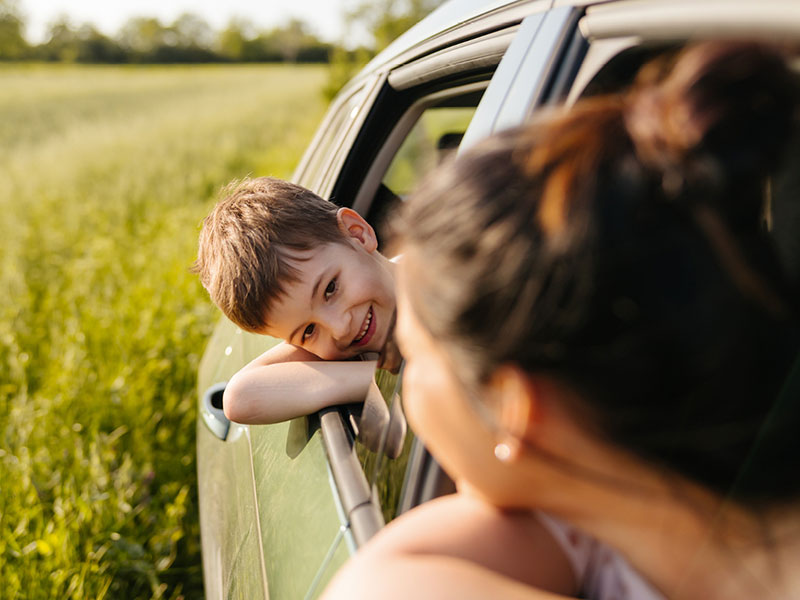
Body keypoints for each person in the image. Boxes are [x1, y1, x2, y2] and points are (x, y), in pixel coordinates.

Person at [322, 41, 800, 600]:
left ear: (510, 409)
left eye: (412, 358)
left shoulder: (580, 536)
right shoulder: (606, 509)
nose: (401, 387)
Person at [194, 177, 401, 425]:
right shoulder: (335, 346)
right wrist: (379, 379)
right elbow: (239, 397)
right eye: (309, 331)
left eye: (330, 289)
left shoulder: (450, 272)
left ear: (357, 234)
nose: (340, 328)